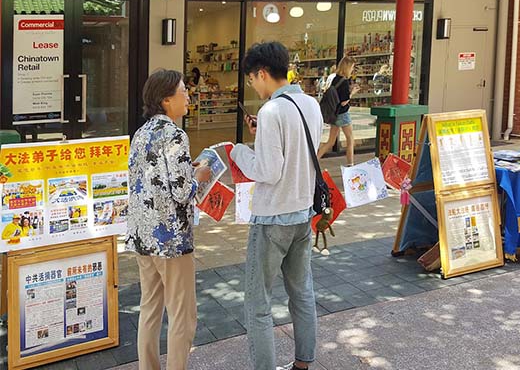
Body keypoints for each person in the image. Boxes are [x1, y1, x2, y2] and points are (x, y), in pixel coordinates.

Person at [231, 42, 322, 370]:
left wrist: (239, 151)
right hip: (302, 213)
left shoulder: (271, 111)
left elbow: (268, 171)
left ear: (262, 73)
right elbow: (299, 148)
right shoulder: (311, 104)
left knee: (258, 304)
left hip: (271, 219)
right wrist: (261, 136)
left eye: (252, 79)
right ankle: (303, 363)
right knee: (302, 292)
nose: (253, 86)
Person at [125, 69, 211, 370]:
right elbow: (182, 191)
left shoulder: (142, 132)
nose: (188, 95)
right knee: (182, 315)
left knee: (150, 309)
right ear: (166, 100)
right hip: (170, 240)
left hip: (141, 235)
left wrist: (189, 169)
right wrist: (199, 175)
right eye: (183, 90)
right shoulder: (175, 134)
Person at [317, 56, 360, 166]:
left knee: (330, 141)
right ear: (348, 67)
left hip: (334, 114)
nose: (352, 70)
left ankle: (315, 160)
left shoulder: (335, 78)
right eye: (352, 67)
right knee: (350, 139)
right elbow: (344, 101)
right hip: (343, 114)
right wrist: (352, 93)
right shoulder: (344, 81)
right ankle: (351, 164)